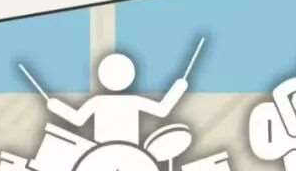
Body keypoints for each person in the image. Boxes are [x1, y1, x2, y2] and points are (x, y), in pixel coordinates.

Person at [43, 50, 188, 146]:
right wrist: (180, 86)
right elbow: (162, 109)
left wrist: (55, 106)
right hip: (131, 153)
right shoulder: (133, 101)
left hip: (101, 152)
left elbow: (77, 119)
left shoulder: (98, 101)